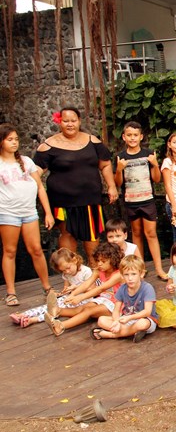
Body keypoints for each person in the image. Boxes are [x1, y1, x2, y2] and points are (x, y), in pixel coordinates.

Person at [34, 107, 118, 264]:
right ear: (59, 122)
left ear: (79, 121)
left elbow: (105, 164)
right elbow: (36, 172)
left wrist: (111, 186)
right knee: (67, 233)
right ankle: (70, 271)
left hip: (90, 198)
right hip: (62, 200)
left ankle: (95, 270)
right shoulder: (48, 146)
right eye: (66, 121)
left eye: (73, 120)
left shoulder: (93, 141)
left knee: (92, 234)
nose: (70, 124)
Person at [0, 123, 54, 305]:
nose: (14, 143)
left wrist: (48, 212)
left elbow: (40, 187)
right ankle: (11, 292)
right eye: (10, 139)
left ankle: (47, 288)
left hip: (29, 211)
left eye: (16, 139)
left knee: (36, 249)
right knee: (10, 251)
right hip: (8, 213)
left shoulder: (26, 161)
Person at [114, 121, 166, 279]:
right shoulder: (121, 157)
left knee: (151, 233)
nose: (132, 138)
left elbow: (157, 179)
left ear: (141, 137)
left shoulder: (148, 154)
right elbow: (118, 183)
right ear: (124, 137)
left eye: (135, 135)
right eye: (129, 135)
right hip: (130, 201)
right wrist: (119, 170)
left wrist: (155, 165)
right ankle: (140, 268)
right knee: (136, 233)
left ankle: (159, 269)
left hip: (147, 199)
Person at [44, 242, 124, 336]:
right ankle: (58, 311)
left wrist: (81, 297)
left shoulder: (118, 274)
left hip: (118, 304)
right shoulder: (98, 270)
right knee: (83, 307)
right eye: (97, 260)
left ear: (113, 259)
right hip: (105, 299)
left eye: (103, 261)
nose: (99, 264)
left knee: (88, 311)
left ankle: (60, 326)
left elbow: (100, 289)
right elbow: (86, 284)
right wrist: (73, 294)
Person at [9, 248, 92, 328]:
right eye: (63, 270)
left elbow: (92, 289)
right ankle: (24, 314)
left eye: (68, 268)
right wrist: (64, 291)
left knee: (57, 310)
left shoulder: (85, 271)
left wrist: (76, 288)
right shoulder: (67, 274)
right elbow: (66, 286)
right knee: (50, 305)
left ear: (74, 260)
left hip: (84, 299)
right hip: (70, 296)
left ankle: (33, 319)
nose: (67, 271)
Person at [92, 255, 158, 343]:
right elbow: (116, 310)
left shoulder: (147, 288)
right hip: (126, 318)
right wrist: (116, 322)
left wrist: (129, 318)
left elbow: (147, 312)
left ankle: (111, 335)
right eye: (126, 274)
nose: (130, 278)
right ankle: (131, 332)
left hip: (144, 319)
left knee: (142, 324)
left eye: (133, 274)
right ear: (122, 275)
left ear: (141, 274)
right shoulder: (122, 288)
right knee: (101, 320)